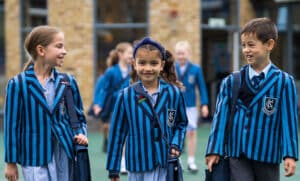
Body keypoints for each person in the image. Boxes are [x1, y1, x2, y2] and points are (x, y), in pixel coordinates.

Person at [205, 17, 298, 181]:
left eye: (251, 45)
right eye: (244, 45)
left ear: (269, 45)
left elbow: (289, 122)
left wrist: (290, 155)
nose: (246, 50)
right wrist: (214, 149)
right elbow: (220, 119)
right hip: (237, 153)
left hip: (267, 154)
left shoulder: (284, 82)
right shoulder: (231, 81)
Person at [3, 26, 88, 181]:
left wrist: (82, 133)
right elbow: (11, 126)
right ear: (41, 50)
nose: (65, 51)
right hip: (34, 156)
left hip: (64, 153)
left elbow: (79, 118)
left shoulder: (68, 82)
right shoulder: (18, 84)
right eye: (59, 46)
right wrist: (10, 162)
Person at [106, 37, 188, 181]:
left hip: (164, 162)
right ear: (134, 64)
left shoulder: (174, 93)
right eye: (142, 63)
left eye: (154, 63)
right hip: (138, 165)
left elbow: (180, 123)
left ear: (162, 65)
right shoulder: (125, 96)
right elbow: (117, 134)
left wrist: (176, 144)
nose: (148, 68)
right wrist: (114, 168)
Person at [93, 42, 133, 173]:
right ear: (120, 54)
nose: (131, 56)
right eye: (129, 53)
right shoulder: (111, 71)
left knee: (127, 134)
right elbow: (103, 89)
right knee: (115, 133)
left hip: (128, 106)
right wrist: (98, 104)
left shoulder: (133, 70)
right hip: (113, 107)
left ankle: (124, 161)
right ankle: (118, 160)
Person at [174, 40, 209, 173]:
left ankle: (191, 160)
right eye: (178, 53)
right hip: (175, 105)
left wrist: (204, 104)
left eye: (182, 53)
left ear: (188, 53)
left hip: (190, 106)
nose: (180, 56)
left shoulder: (196, 69)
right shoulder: (171, 68)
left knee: (191, 132)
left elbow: (202, 88)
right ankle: (177, 161)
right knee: (175, 133)